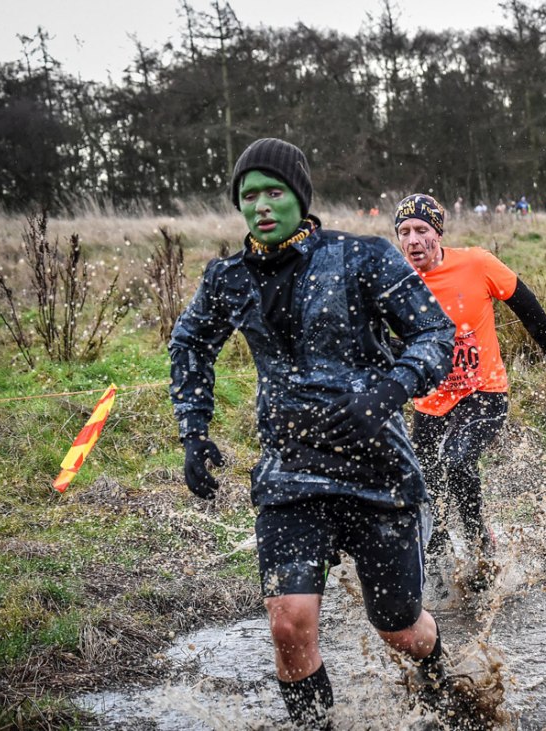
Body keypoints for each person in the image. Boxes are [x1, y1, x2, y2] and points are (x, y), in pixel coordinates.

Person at [169, 139, 457, 729]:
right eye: (248, 197)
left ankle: (443, 687)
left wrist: (386, 391)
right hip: (290, 474)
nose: (261, 207)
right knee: (288, 624)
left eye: (274, 192)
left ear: (300, 196)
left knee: (400, 629)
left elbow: (435, 335)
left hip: (377, 470)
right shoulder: (229, 278)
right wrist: (193, 432)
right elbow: (190, 342)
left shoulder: (363, 257)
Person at [392, 194, 546, 585]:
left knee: (458, 460)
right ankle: (441, 570)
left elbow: (527, 307)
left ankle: (481, 547)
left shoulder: (476, 263)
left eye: (421, 230)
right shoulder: (395, 282)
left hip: (484, 392)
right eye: (404, 232)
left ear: (437, 233)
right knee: (428, 495)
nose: (412, 240)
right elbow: (379, 341)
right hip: (430, 404)